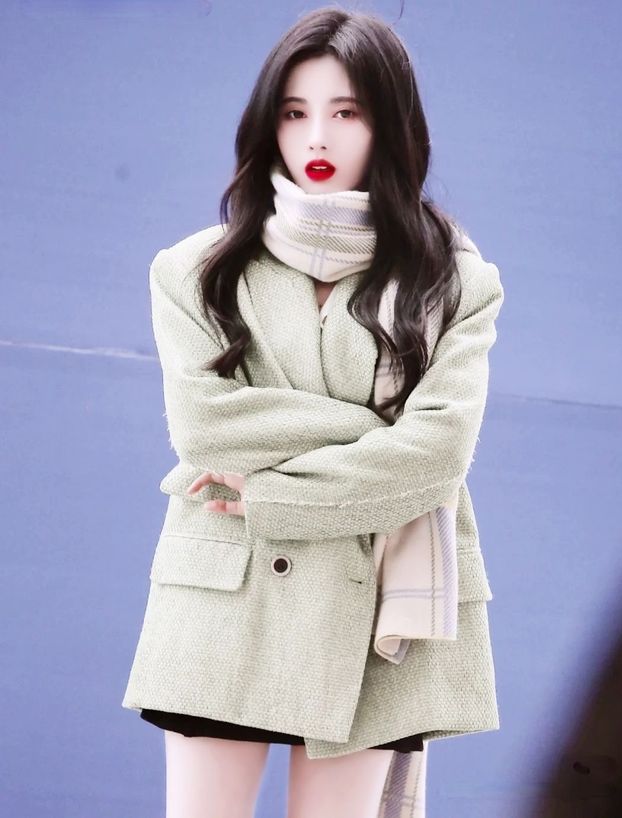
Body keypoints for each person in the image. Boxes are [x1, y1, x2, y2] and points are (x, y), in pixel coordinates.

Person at [121, 6, 505, 818]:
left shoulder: (455, 282)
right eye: (295, 113)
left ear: (389, 124)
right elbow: (207, 428)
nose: (317, 138)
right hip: (226, 596)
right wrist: (379, 437)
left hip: (372, 613)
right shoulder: (194, 272)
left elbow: (439, 454)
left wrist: (271, 495)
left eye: (346, 112)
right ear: (269, 124)